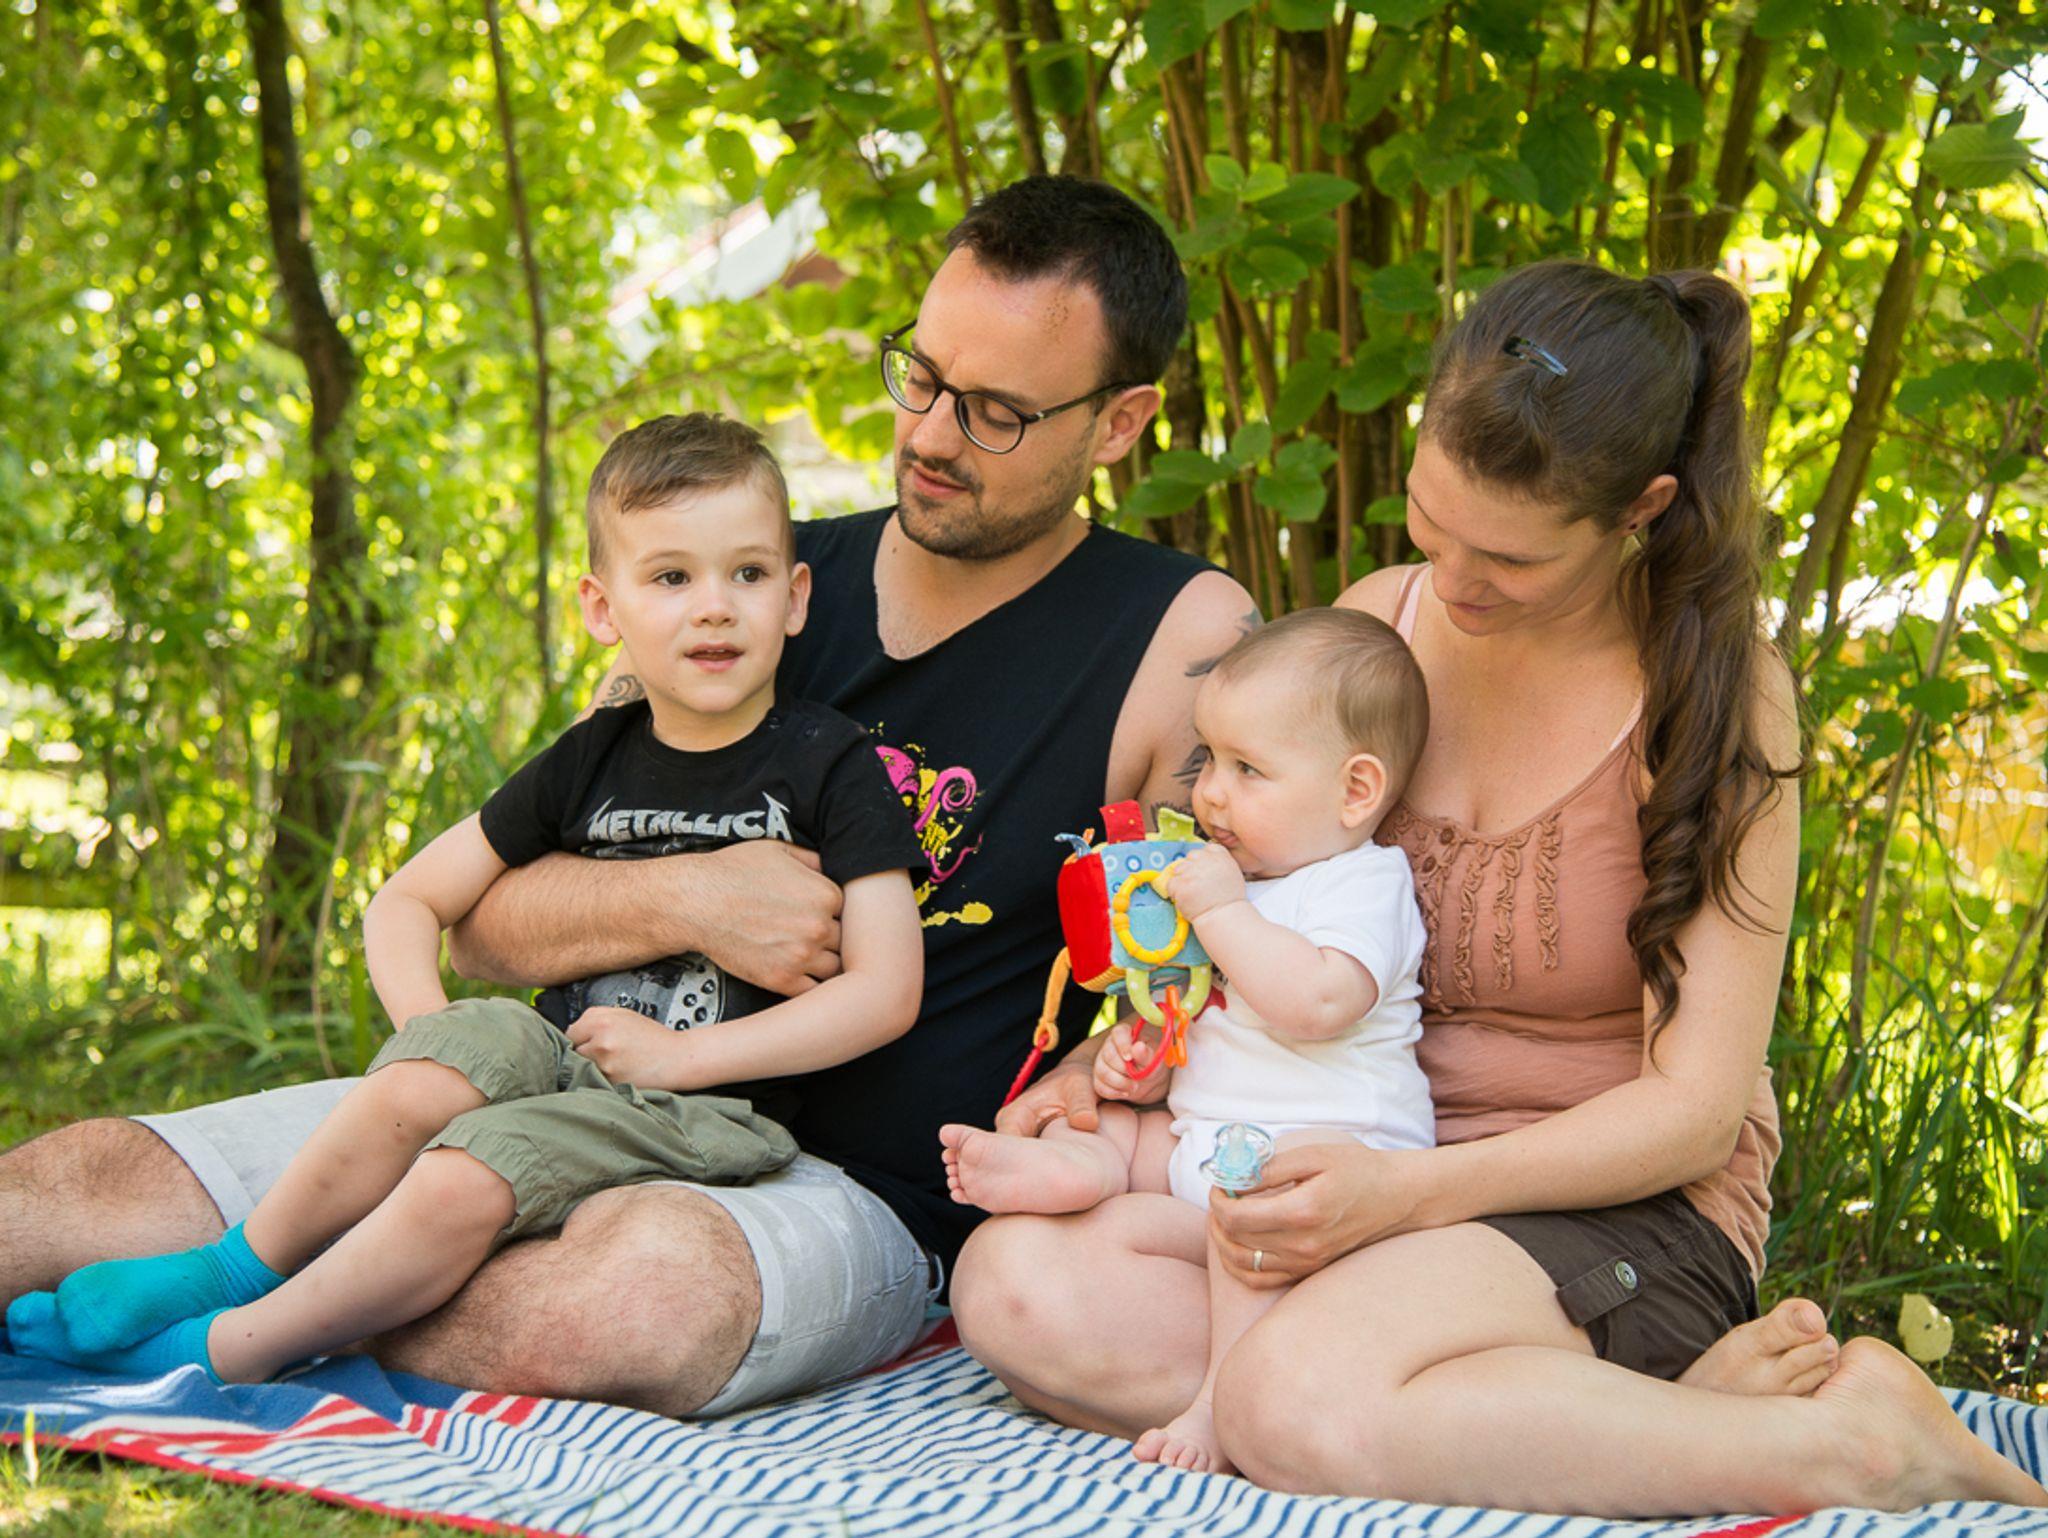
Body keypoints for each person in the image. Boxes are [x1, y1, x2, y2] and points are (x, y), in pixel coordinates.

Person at [0, 174, 1260, 1416]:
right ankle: (253, 1288)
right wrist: (693, 897)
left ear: (1117, 423)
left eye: (993, 413)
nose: (928, 434)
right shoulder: (740, 584)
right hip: (560, 1087)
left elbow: (1219, 966)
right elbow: (487, 921)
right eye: (920, 377)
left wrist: (1092, 1072)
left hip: (843, 1188)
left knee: (635, 1293)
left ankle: (247, 1317)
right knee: (82, 1183)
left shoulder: (1174, 640)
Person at [950, 260, 2048, 1512]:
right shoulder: (1379, 625)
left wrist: (1405, 1196)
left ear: (1638, 509)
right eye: (1432, 527)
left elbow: (1693, 1114)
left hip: (1610, 1205)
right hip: (1361, 1167)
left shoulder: (1715, 698)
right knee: (1018, 1287)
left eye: (1509, 558)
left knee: (1293, 1397)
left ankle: (1856, 1443)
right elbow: (1261, 903)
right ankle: (1639, 1412)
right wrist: (1110, 1059)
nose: (1455, 581)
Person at [6, 413, 926, 1386]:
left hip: (705, 1104)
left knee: (472, 1163)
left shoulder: (832, 766)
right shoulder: (588, 758)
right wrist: (433, 1044)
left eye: (746, 574)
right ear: (601, 608)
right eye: (670, 577)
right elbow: (408, 901)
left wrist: (685, 1056)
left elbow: (885, 991)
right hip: (559, 1067)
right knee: (439, 1070)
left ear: (794, 598)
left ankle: (232, 1346)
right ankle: (224, 1269)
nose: (714, 608)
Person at [939, 608, 1436, 1474]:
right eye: (1208, 759)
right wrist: (1141, 1060)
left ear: (1356, 791)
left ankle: (1216, 1404)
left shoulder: (1360, 884)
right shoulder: (1236, 882)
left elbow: (1317, 1002)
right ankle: (1076, 1170)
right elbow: (1203, 1018)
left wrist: (1222, 912)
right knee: (1119, 1124)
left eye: (1249, 770)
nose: (1209, 793)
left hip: (1320, 1171)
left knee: (1245, 1228)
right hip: (1212, 1145)